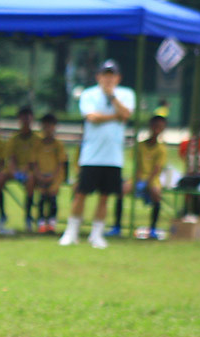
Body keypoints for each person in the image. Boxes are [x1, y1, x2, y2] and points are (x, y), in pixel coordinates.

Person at [59, 59, 133, 249]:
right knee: (81, 193)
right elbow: (92, 117)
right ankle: (71, 232)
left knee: (105, 196)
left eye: (112, 75)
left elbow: (126, 114)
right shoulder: (89, 94)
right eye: (105, 75)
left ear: (118, 78)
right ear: (98, 77)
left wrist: (112, 98)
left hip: (114, 157)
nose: (108, 79)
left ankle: (96, 235)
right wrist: (114, 116)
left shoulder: (126, 94)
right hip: (91, 155)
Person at [112, 115, 167, 239]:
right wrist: (138, 181)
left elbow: (157, 168)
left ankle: (152, 228)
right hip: (138, 177)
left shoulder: (161, 149)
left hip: (153, 179)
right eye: (155, 127)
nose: (157, 130)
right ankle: (117, 227)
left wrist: (148, 183)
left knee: (156, 194)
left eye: (160, 127)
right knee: (121, 191)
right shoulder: (140, 146)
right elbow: (136, 166)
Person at [0, 106, 40, 231]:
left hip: (30, 171)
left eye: (28, 119)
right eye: (23, 119)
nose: (25, 122)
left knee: (31, 181)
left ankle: (27, 216)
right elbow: (11, 158)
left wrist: (25, 171)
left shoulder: (37, 139)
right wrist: (14, 171)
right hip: (14, 170)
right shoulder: (14, 139)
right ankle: (2, 214)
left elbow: (35, 160)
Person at [34, 113, 66, 234]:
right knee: (42, 197)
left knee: (52, 197)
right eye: (45, 126)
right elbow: (34, 162)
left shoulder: (58, 145)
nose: (48, 129)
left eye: (50, 126)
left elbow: (60, 163)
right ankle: (41, 223)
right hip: (40, 175)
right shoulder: (38, 144)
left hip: (55, 176)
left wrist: (53, 177)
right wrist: (39, 175)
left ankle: (52, 223)